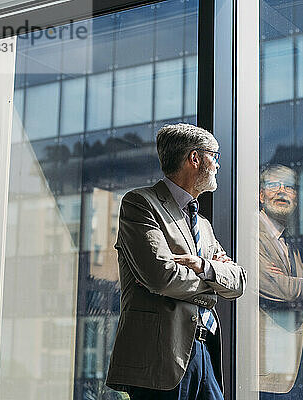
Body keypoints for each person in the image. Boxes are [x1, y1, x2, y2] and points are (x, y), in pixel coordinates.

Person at [105, 123, 247, 400]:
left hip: (205, 351)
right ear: (195, 158)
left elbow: (239, 282)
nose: (218, 165)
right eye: (214, 156)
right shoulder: (141, 203)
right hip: (160, 356)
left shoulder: (203, 225)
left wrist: (204, 266)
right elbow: (161, 277)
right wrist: (214, 282)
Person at [258, 164, 303, 398]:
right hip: (262, 371)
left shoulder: (287, 243)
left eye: (289, 186)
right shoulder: (247, 232)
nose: (282, 191)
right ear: (260, 195)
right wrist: (301, 287)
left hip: (288, 367)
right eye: (273, 185)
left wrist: (293, 285)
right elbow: (273, 288)